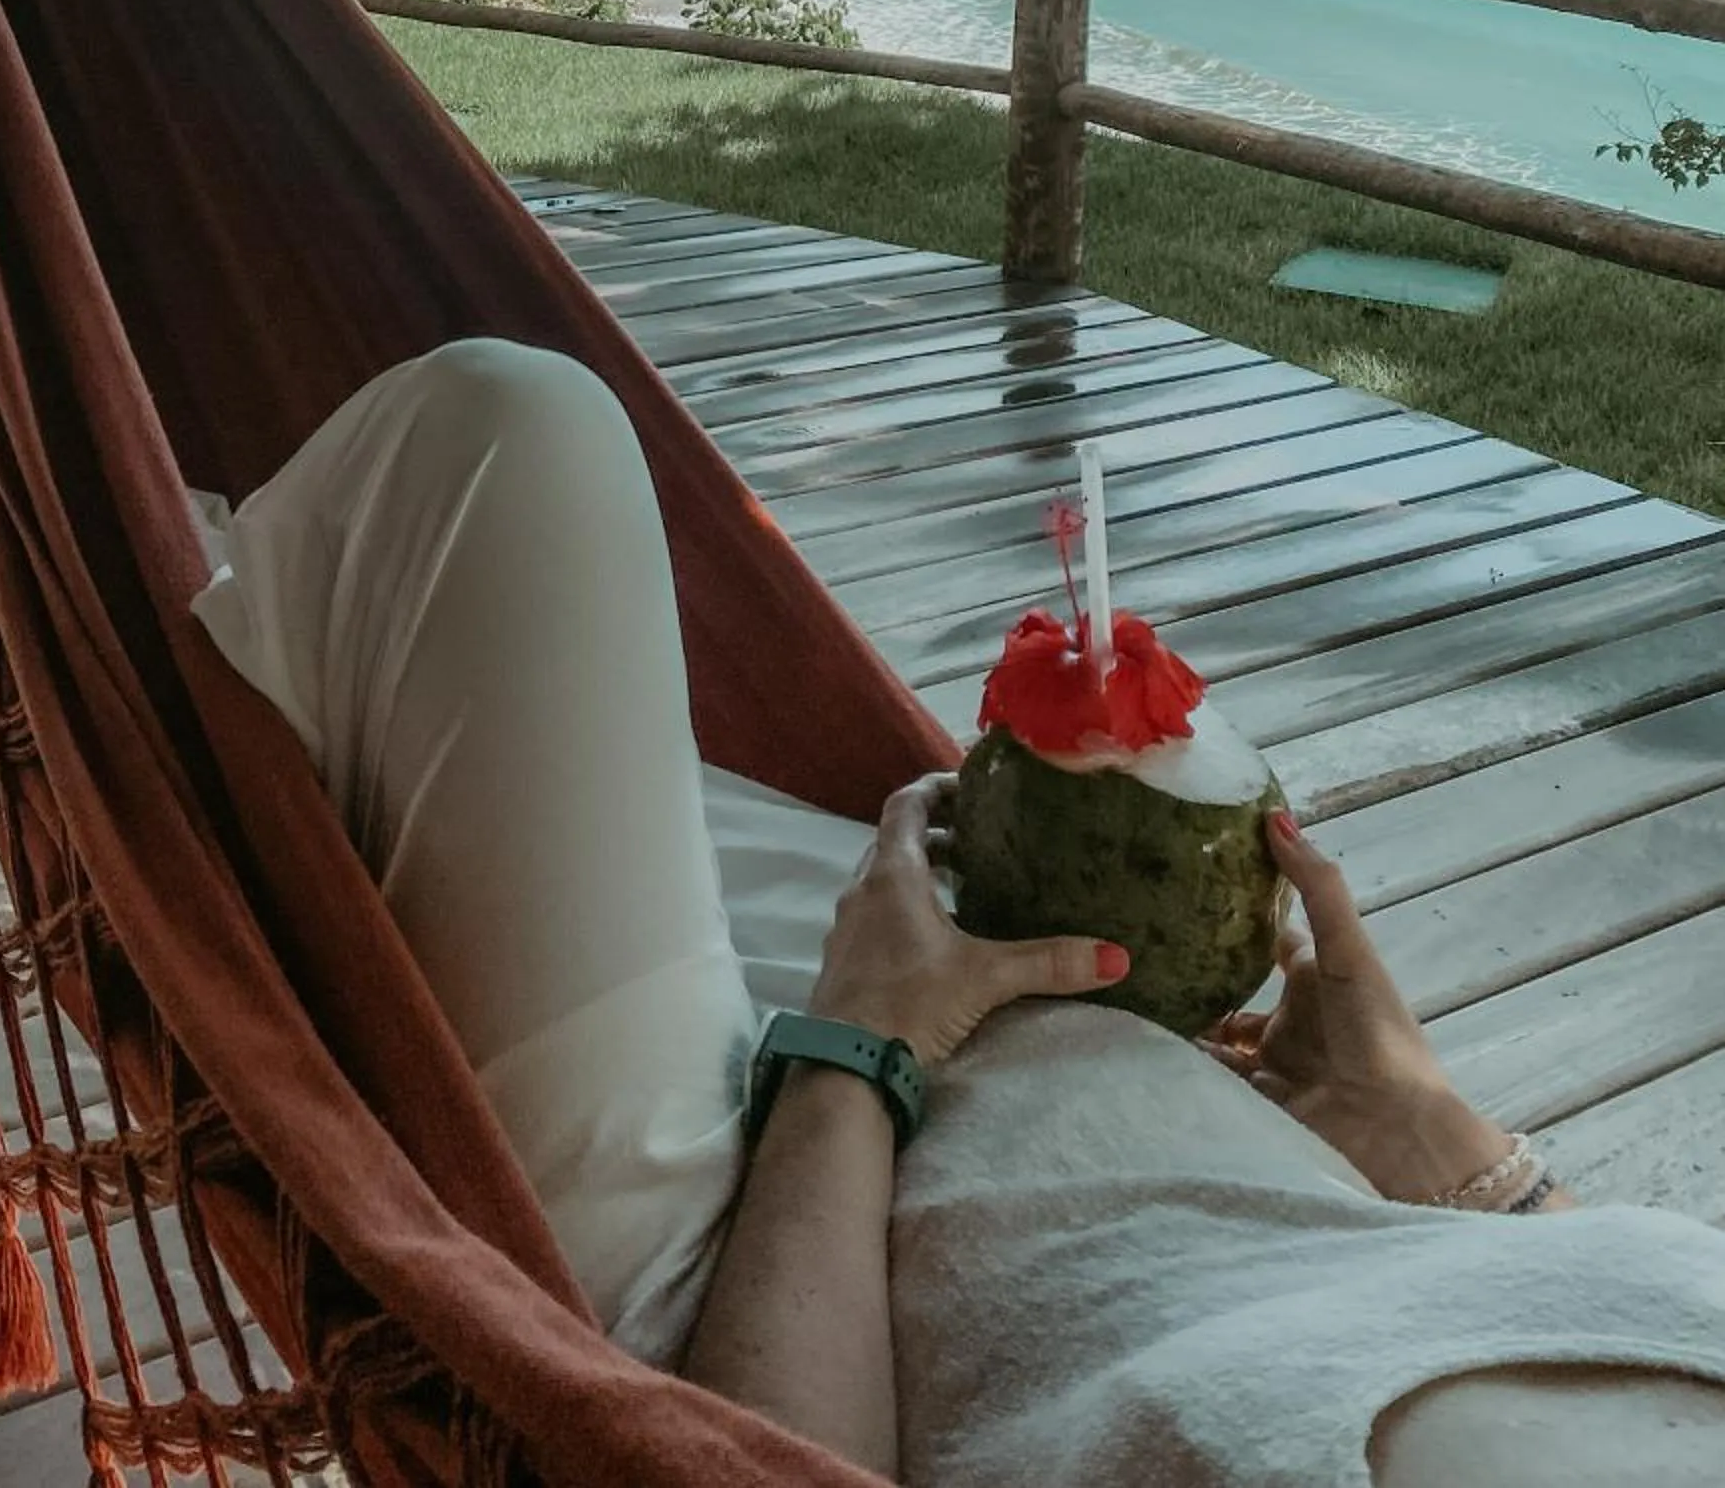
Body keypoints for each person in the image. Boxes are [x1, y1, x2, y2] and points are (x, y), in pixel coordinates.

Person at [190, 338, 1725, 1486]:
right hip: (1065, 1062)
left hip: (737, 1273)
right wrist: (1450, 1156)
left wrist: (859, 1049)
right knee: (647, 762)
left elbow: (767, 1456)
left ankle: (123, 657)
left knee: (498, 432)